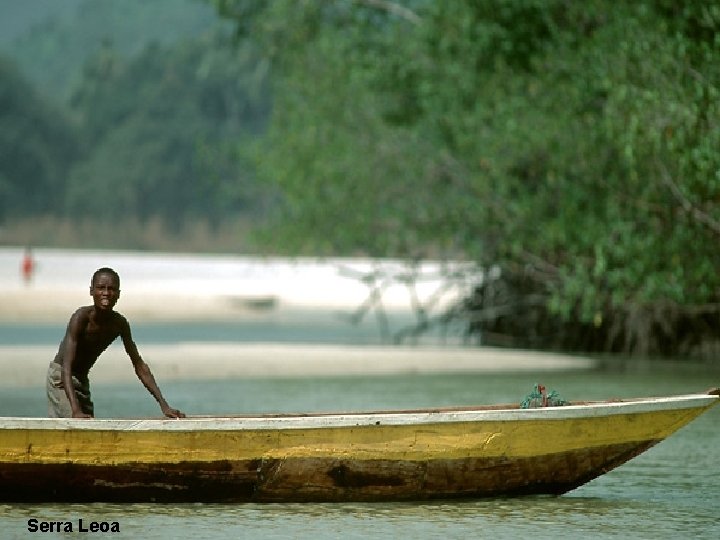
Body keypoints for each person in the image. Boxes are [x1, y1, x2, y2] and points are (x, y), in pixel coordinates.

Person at [46, 267, 185, 419]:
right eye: (100, 288)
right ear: (91, 291)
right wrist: (75, 409)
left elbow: (139, 366)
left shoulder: (119, 324)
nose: (106, 293)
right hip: (61, 376)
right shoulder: (81, 318)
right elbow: (67, 366)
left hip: (81, 378)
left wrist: (164, 405)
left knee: (89, 426)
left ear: (118, 294)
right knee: (75, 422)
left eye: (111, 289)